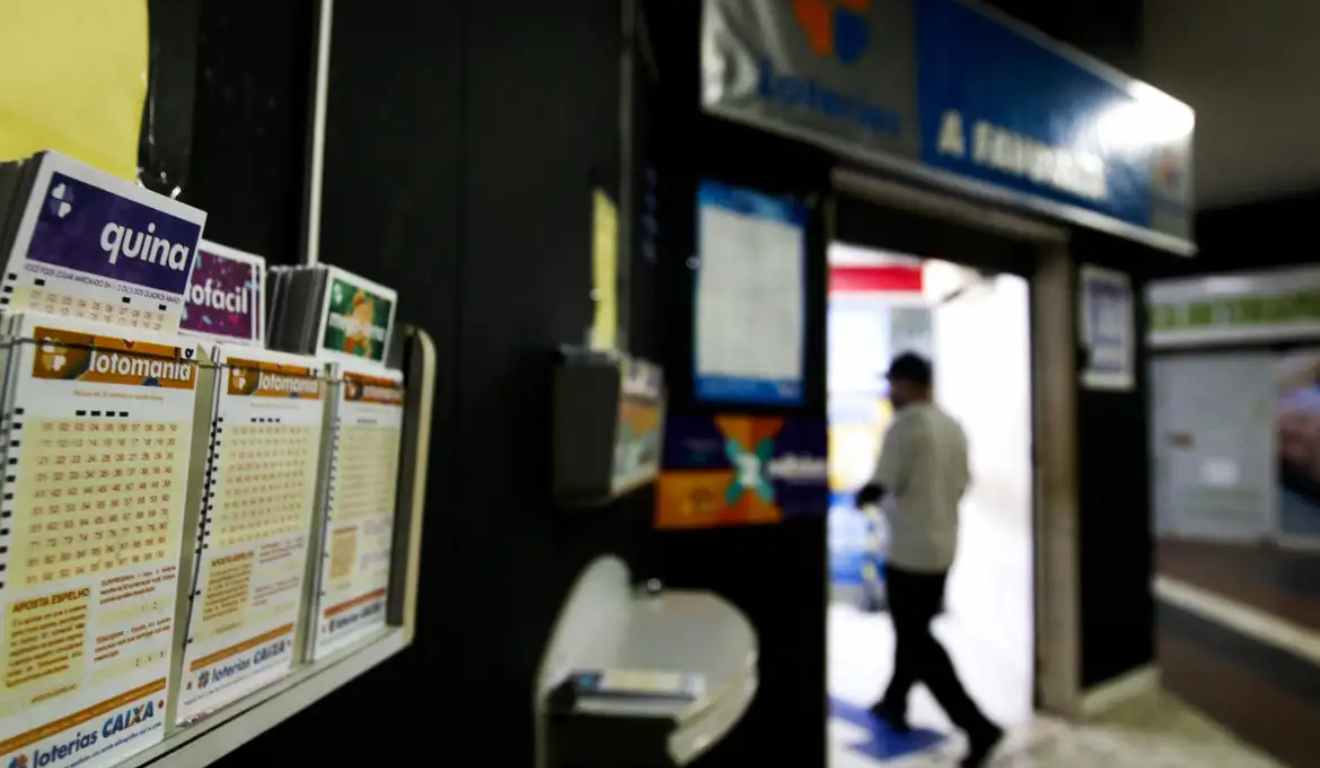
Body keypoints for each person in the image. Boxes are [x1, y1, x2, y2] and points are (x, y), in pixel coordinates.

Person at [855, 352, 1002, 767]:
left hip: (908, 553)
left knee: (917, 642)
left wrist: (860, 497)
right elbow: (963, 483)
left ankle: (978, 727)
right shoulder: (953, 425)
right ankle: (894, 702)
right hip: (942, 550)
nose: (888, 393)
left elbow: (881, 484)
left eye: (892, 384)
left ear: (907, 384)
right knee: (912, 630)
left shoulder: (905, 426)